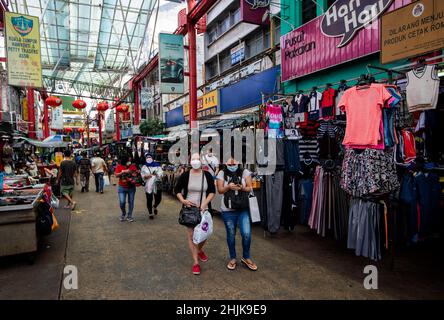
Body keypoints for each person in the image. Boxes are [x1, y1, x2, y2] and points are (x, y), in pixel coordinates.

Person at [174, 153, 215, 275]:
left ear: (202, 161)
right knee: (191, 235)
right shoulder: (185, 175)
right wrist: (183, 200)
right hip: (190, 210)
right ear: (190, 161)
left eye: (198, 159)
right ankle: (195, 262)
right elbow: (177, 190)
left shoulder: (207, 175)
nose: (196, 161)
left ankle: (199, 249)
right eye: (193, 159)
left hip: (205, 209)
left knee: (205, 233)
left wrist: (204, 204)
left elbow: (212, 191)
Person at [216, 157, 258, 271]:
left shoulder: (245, 172)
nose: (232, 165)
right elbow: (219, 190)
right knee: (231, 234)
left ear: (238, 162)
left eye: (234, 163)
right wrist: (228, 187)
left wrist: (242, 187)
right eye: (230, 163)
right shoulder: (221, 173)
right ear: (225, 163)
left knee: (246, 233)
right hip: (227, 210)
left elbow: (250, 188)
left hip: (242, 208)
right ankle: (233, 258)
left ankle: (246, 257)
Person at [115, 154, 138, 222]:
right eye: (129, 159)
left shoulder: (132, 166)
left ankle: (129, 216)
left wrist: (131, 172)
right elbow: (116, 175)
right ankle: (123, 213)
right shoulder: (119, 166)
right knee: (122, 202)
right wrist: (122, 172)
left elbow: (136, 174)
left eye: (130, 159)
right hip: (122, 187)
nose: (130, 161)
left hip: (131, 187)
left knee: (131, 202)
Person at [141, 153, 163, 220]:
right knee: (149, 199)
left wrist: (157, 174)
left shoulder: (157, 165)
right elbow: (142, 175)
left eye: (150, 157)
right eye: (147, 157)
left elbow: (161, 173)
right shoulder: (144, 167)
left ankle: (155, 206)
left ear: (152, 157)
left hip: (157, 183)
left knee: (159, 198)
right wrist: (146, 176)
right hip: (148, 185)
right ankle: (150, 213)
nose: (149, 158)